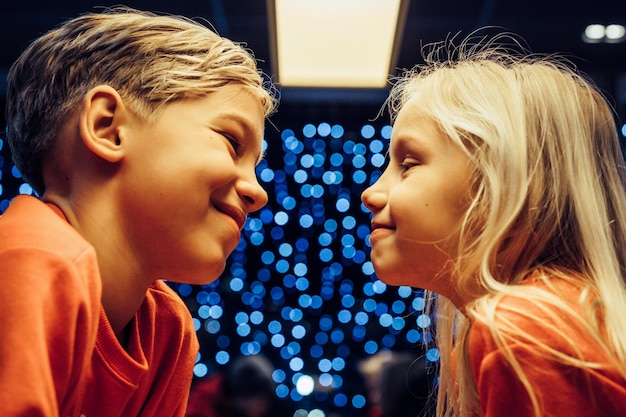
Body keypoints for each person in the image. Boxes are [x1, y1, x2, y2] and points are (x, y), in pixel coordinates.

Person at [1, 6, 276, 417]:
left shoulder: (169, 331)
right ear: (108, 127)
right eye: (232, 142)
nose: (258, 192)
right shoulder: (30, 265)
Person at [361, 33, 626, 417]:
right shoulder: (500, 334)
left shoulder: (524, 331)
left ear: (497, 185)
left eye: (408, 164)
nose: (371, 193)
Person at [186, 354, 282, 417]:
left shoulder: (233, 410)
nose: (263, 409)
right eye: (261, 402)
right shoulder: (201, 409)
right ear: (245, 393)